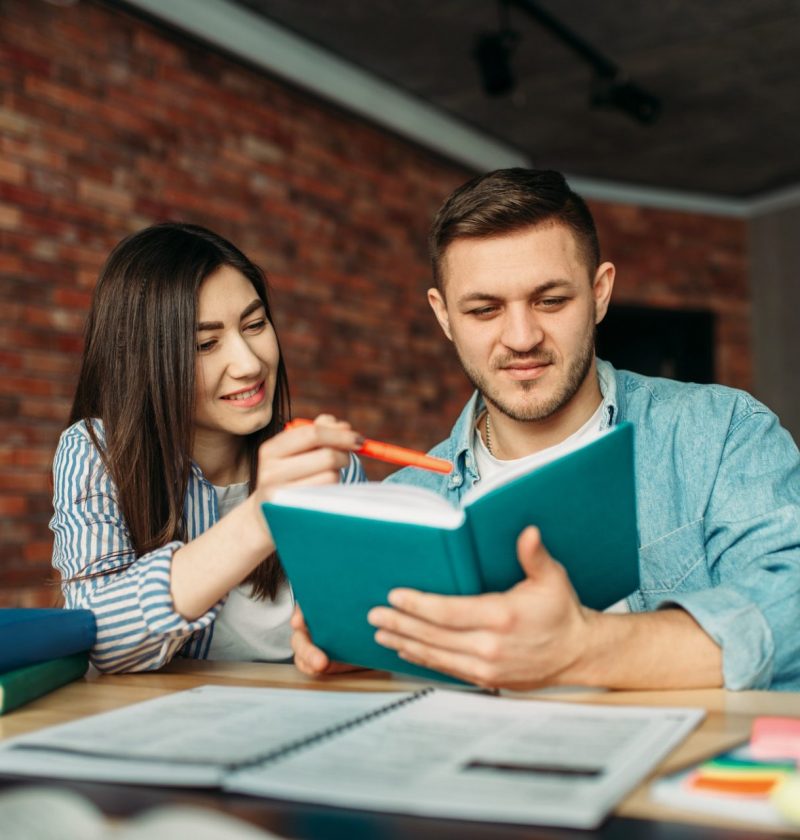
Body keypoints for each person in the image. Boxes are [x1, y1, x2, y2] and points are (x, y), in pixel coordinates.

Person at [291, 168, 800, 691]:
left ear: (600, 292)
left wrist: (582, 650)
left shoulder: (720, 434)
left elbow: (791, 606)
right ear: (444, 317)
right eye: (484, 309)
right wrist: (367, 648)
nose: (521, 337)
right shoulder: (409, 503)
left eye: (550, 301)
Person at [51, 223, 364, 673]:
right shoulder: (98, 452)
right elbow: (99, 638)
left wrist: (352, 647)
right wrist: (259, 519)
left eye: (255, 325)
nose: (248, 363)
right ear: (144, 359)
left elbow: (355, 629)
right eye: (205, 344)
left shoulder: (320, 463)